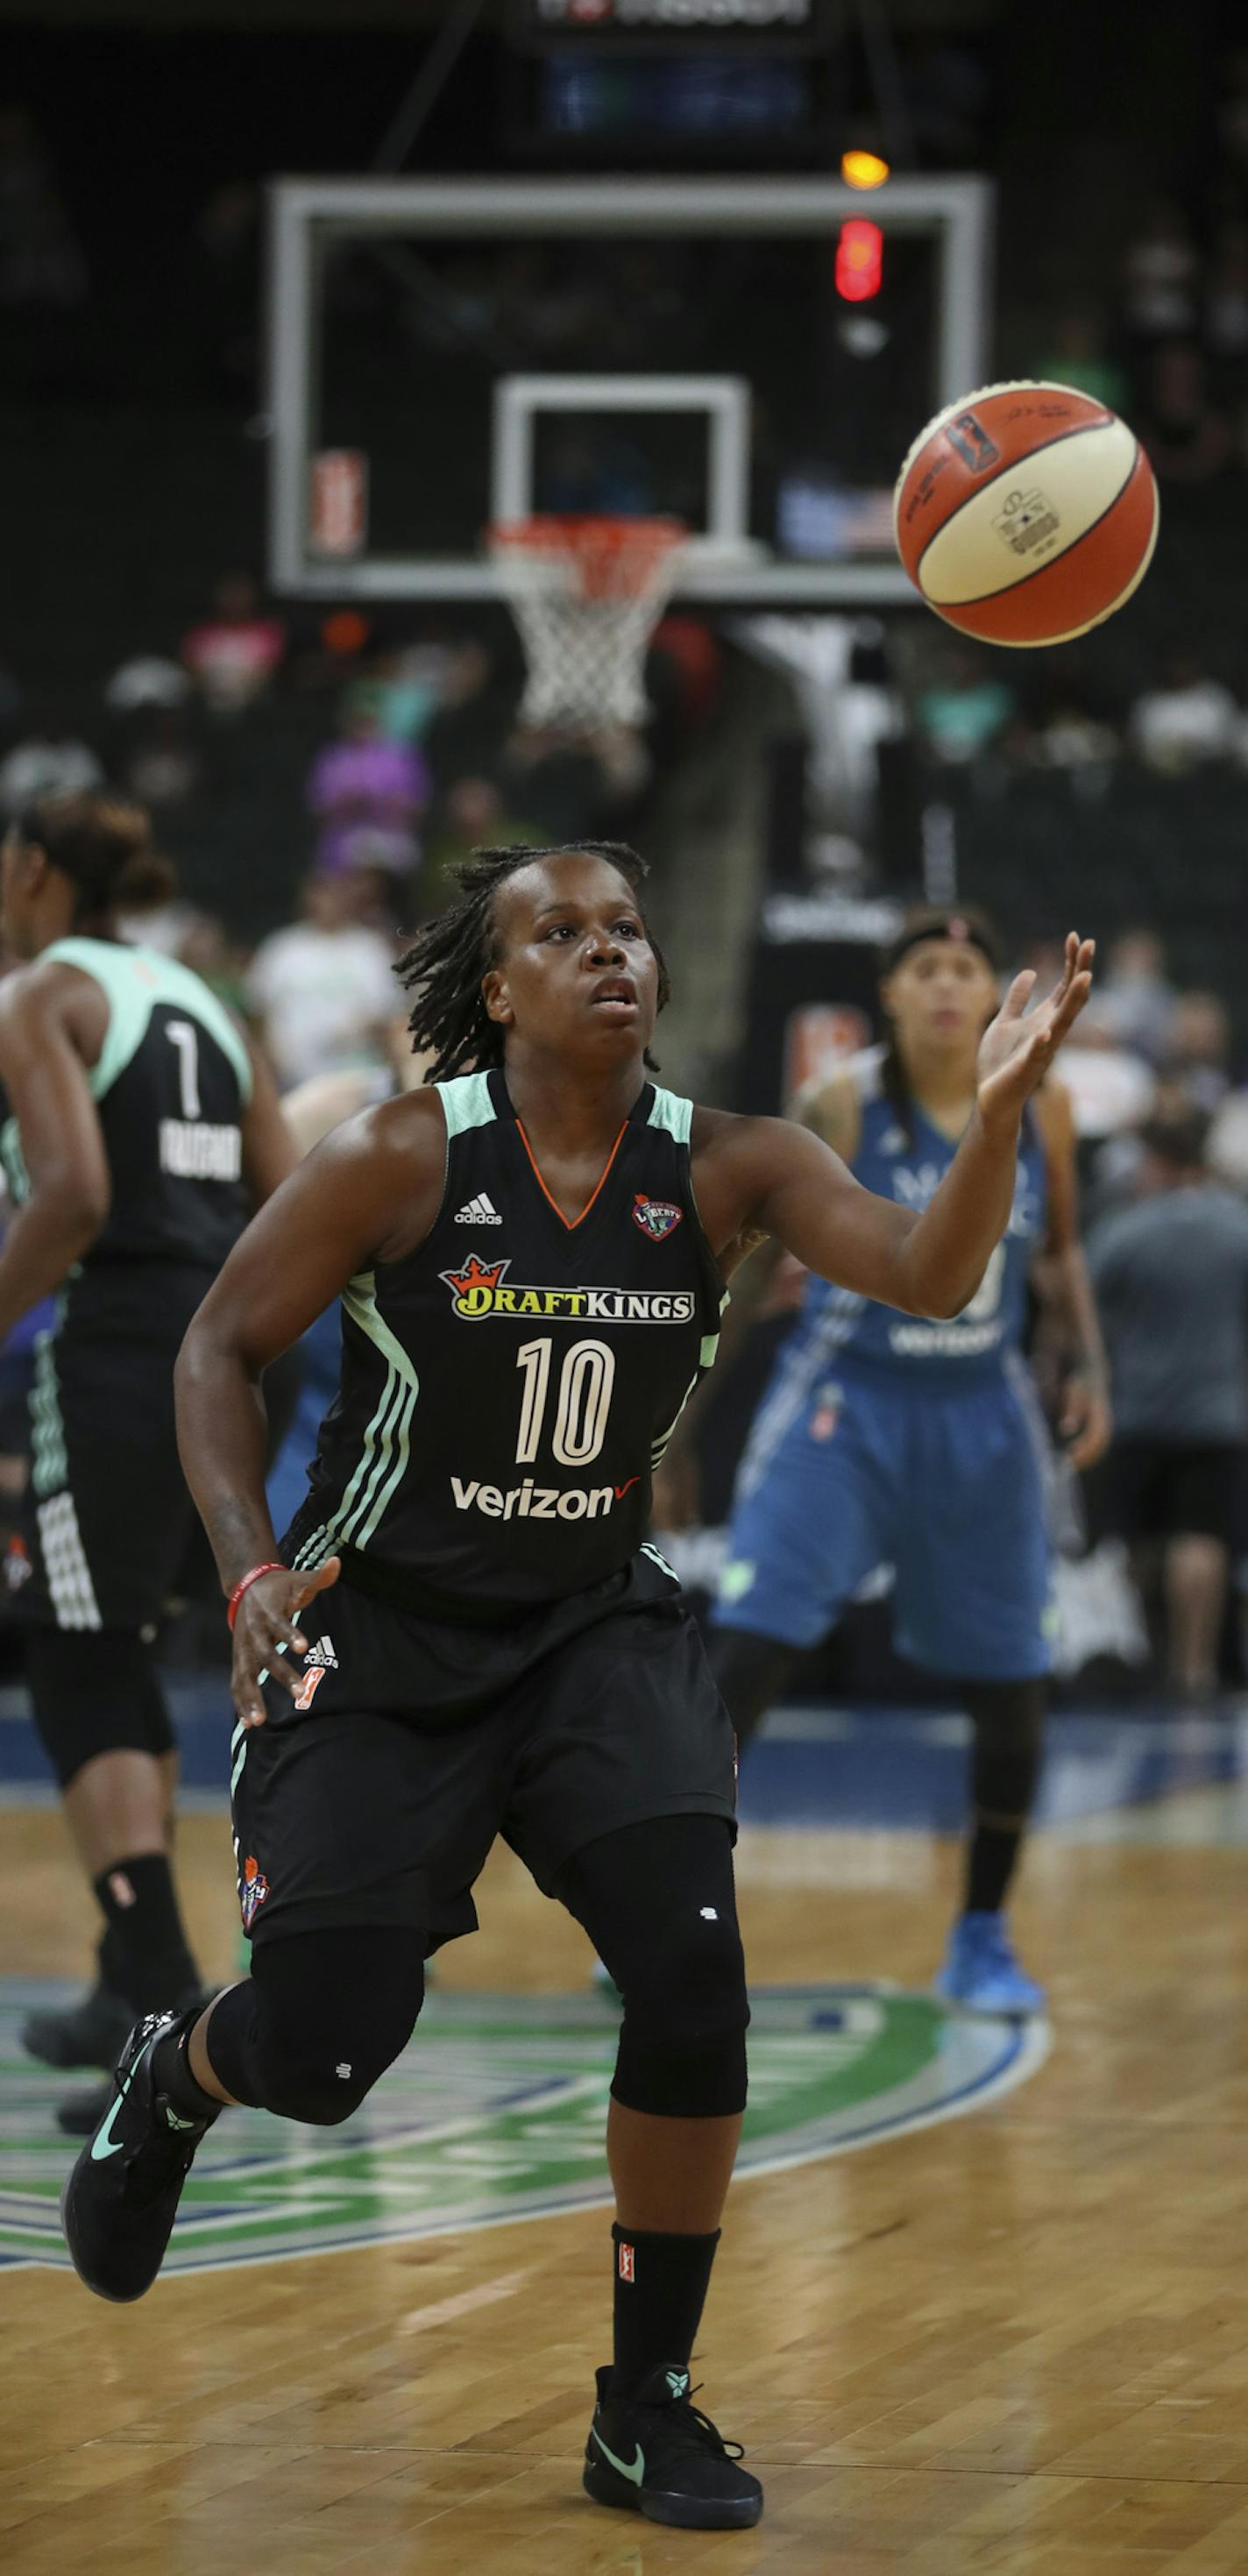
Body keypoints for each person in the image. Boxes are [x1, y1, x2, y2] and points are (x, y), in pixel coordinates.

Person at [60, 845, 1092, 2534]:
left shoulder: (732, 1164)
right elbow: (213, 1348)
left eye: (624, 926)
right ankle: (183, 2068)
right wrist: (246, 1567)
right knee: (324, 2050)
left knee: (692, 1982)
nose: (607, 950)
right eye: (561, 930)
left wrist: (986, 1124)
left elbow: (926, 1271)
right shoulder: (402, 1154)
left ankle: (642, 2402)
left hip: (591, 1627)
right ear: (496, 984)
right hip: (371, 1627)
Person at [708, 909, 1110, 2016]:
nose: (945, 985)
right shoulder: (839, 1102)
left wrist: (1083, 1365)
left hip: (979, 1412)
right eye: (922, 968)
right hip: (848, 1400)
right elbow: (747, 1248)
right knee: (742, 1659)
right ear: (885, 995)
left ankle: (980, 1931)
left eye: (965, 967)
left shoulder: (1048, 1102)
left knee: (1013, 1693)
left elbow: (1060, 1254)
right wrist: (686, 1399)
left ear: (991, 991)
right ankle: (667, 1911)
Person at [0, 793, 293, 2124]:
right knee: (125, 1644)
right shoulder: (205, 996)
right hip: (227, 1350)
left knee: (73, 1650)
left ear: (31, 870)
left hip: (116, 1342)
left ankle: (166, 1997)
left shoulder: (41, 993)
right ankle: (133, 1979)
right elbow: (286, 1190)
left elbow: (71, 1195)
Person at [1088, 1106, 1248, 1698]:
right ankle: (1195, 1666)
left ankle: (1139, 1659)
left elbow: (1088, 1320)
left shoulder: (1125, 1232)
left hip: (1137, 1411)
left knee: (1133, 1540)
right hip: (1217, 1412)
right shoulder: (1238, 1227)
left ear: (1156, 1162)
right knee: (1201, 1537)